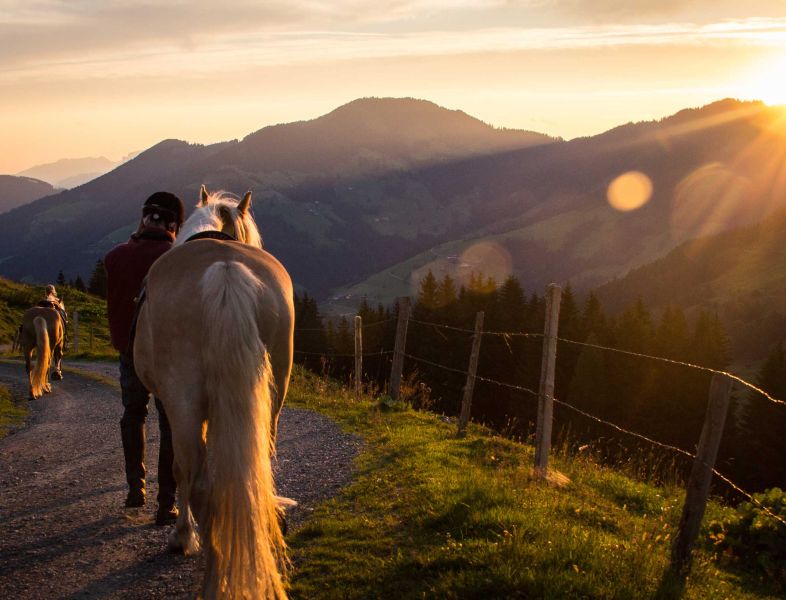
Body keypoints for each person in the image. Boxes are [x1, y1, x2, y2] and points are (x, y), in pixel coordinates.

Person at [104, 191, 185, 526]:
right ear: (173, 225)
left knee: (133, 414)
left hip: (129, 351)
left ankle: (135, 488)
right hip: (167, 357)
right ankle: (166, 504)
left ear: (144, 218)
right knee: (169, 425)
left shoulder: (115, 256)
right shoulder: (176, 259)